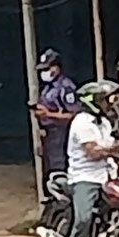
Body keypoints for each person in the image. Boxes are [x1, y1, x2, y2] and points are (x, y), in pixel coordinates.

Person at [65, 82, 119, 237]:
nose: (108, 103)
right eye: (105, 100)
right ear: (93, 102)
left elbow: (114, 146)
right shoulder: (81, 122)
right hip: (85, 178)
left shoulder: (105, 123)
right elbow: (93, 152)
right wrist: (117, 149)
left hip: (108, 175)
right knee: (84, 218)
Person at [31, 50, 78, 181]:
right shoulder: (47, 87)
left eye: (47, 68)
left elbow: (74, 115)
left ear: (57, 67)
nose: (44, 72)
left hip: (62, 133)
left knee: (59, 171)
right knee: (50, 172)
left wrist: (49, 114)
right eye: (42, 69)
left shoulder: (66, 87)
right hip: (49, 134)